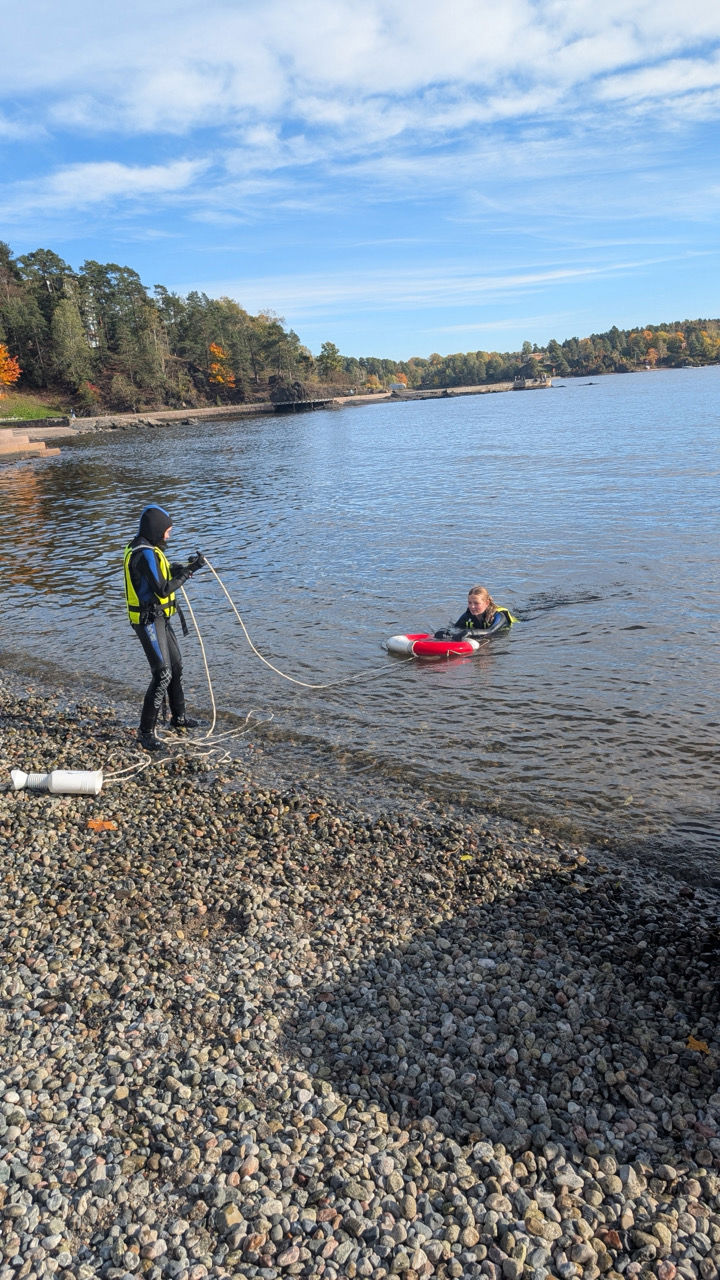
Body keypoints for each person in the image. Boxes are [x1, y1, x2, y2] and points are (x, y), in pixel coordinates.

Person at [123, 504, 205, 751]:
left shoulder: (148, 548)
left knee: (176, 666)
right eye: (167, 531)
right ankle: (145, 733)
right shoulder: (143, 552)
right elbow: (162, 589)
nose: (168, 536)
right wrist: (190, 571)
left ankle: (178, 718)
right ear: (156, 529)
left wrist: (178, 567)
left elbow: (159, 572)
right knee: (162, 674)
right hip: (148, 621)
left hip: (161, 618)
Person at [437, 585, 518, 638]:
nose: (472, 606)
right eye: (470, 603)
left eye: (476, 603)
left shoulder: (499, 616)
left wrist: (470, 632)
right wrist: (445, 632)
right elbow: (455, 627)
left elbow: (491, 631)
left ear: (486, 603)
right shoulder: (468, 616)